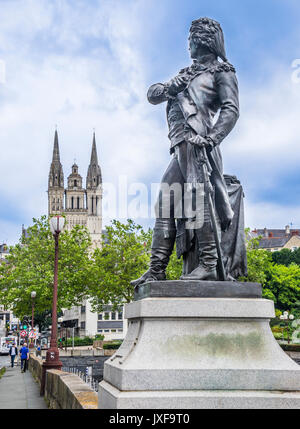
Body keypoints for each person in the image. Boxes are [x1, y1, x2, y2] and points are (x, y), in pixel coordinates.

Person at [131, 17, 245, 287]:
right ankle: (156, 269)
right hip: (179, 144)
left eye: (190, 40)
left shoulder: (222, 72)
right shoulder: (185, 74)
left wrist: (211, 138)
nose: (188, 45)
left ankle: (208, 263)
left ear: (202, 40)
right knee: (166, 202)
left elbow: (231, 110)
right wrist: (172, 86)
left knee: (197, 199)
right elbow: (153, 94)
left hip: (197, 144)